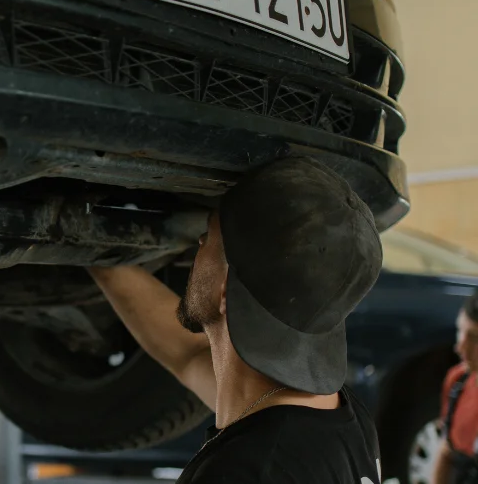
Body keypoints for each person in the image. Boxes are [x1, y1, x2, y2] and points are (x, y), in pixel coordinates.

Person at [89, 157, 384, 484]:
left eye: (209, 233)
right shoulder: (344, 419)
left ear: (225, 288)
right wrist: (93, 255)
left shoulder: (245, 471)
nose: (199, 243)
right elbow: (186, 356)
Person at [433, 291, 478, 484]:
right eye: (461, 331)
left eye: (475, 338)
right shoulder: (458, 382)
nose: (461, 346)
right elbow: (447, 451)